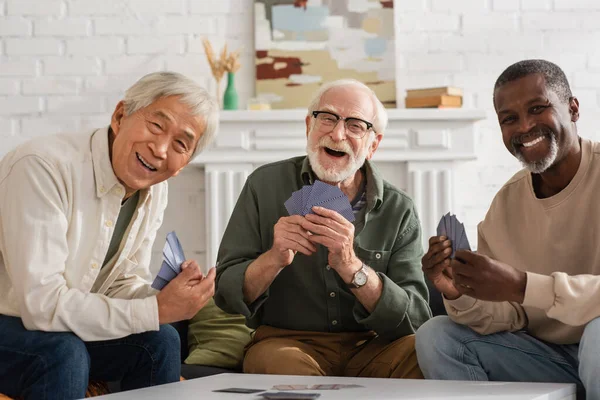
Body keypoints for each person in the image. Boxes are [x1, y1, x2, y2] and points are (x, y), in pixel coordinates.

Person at [0, 71, 219, 399]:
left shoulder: (154, 189)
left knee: (160, 341)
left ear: (184, 163)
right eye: (156, 125)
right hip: (14, 321)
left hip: (58, 327)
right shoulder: (43, 167)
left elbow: (119, 284)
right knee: (63, 353)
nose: (160, 149)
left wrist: (172, 298)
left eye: (180, 143)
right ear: (120, 116)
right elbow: (41, 307)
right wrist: (156, 310)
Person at [214, 79, 431, 379]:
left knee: (425, 353)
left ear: (373, 145)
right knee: (284, 367)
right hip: (286, 343)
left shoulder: (399, 208)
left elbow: (416, 318)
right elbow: (225, 293)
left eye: (355, 125)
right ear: (308, 127)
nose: (337, 133)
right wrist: (274, 258)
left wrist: (353, 267)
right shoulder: (263, 186)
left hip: (374, 347)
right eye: (327, 118)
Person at [416, 59, 600, 399]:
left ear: (573, 109)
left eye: (537, 108)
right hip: (548, 358)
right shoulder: (505, 205)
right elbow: (506, 315)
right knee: (437, 335)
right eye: (509, 119)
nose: (525, 126)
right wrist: (457, 291)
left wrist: (522, 285)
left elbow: (520, 291)